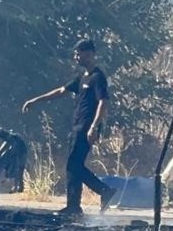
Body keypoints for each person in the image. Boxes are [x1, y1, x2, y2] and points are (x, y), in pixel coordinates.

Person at [21, 39, 117, 217]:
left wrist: (94, 127)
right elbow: (60, 91)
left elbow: (103, 102)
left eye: (78, 54)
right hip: (77, 126)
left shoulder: (98, 77)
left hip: (87, 127)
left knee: (73, 164)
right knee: (74, 165)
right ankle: (77, 204)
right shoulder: (82, 78)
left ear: (89, 54)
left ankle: (99, 193)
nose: (76, 57)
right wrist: (36, 100)